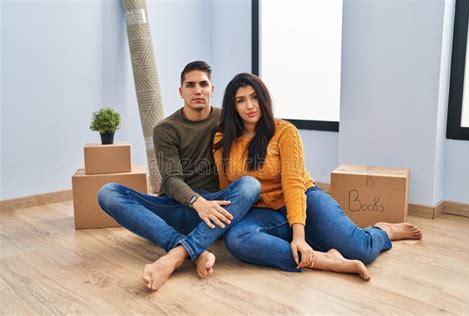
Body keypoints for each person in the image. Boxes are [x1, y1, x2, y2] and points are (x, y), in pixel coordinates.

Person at [213, 73, 422, 280]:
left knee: (361, 250)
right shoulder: (223, 139)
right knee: (237, 239)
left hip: (304, 200)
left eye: (254, 97)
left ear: (263, 98)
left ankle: (384, 231)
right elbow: (229, 188)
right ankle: (323, 259)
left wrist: (299, 237)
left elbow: (293, 184)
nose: (249, 105)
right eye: (241, 100)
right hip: (264, 212)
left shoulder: (285, 132)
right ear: (233, 106)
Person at [97, 62, 261, 291]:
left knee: (250, 186)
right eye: (190, 85)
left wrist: (207, 204)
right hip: (175, 207)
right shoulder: (166, 129)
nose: (197, 90)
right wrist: (197, 202)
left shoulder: (228, 120)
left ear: (212, 89)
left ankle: (176, 255)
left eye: (203, 84)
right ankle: (196, 248)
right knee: (108, 193)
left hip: (216, 205)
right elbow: (171, 179)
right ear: (181, 91)